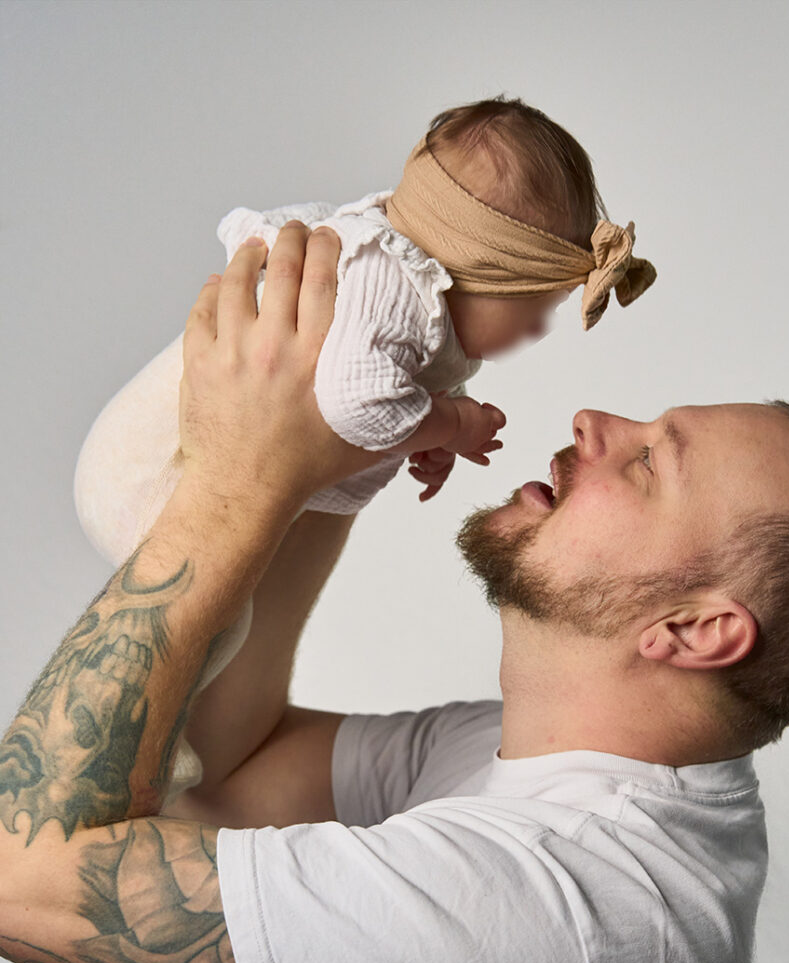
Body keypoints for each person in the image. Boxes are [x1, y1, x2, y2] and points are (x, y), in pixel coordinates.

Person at [0, 224, 789, 963]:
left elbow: (15, 876)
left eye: (647, 466)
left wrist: (235, 484)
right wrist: (339, 456)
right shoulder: (551, 766)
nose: (593, 422)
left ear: (696, 630)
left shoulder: (546, 916)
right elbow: (225, 771)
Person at [72, 96, 656, 793]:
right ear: (481, 275)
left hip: (170, 465)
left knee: (229, 625)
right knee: (213, 620)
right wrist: (452, 423)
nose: (538, 332)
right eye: (536, 310)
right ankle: (160, 754)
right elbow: (358, 404)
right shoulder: (393, 286)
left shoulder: (406, 274)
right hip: (154, 476)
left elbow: (377, 383)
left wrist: (424, 432)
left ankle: (178, 752)